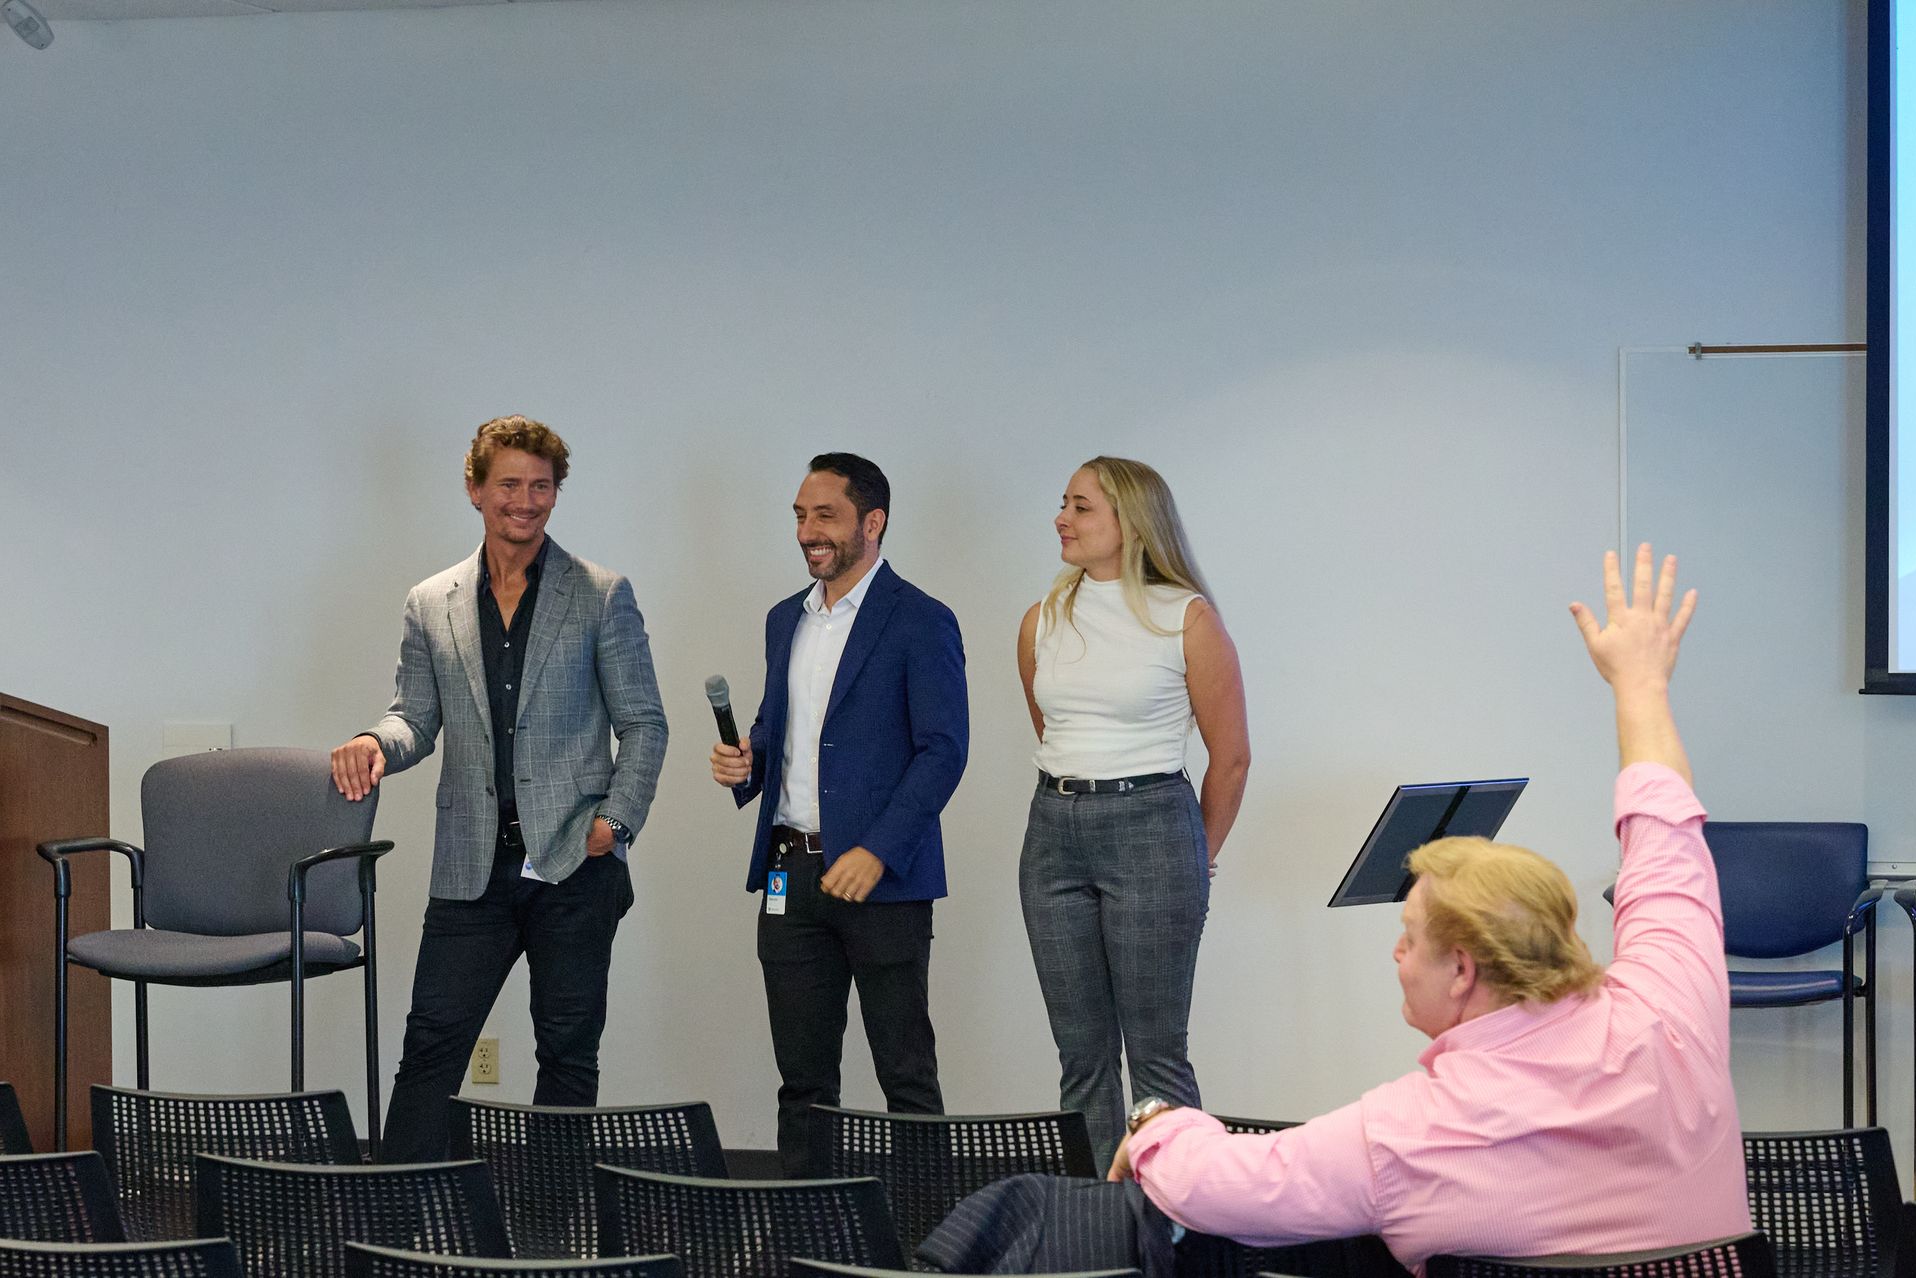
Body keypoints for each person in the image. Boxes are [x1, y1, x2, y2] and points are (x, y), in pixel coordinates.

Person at [1107, 545, 1751, 1270]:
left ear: (1463, 970)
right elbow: (1665, 834)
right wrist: (1641, 684)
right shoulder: (1672, 1012)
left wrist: (1158, 1122)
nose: (1396, 953)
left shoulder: (1405, 1137)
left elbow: (1218, 1186)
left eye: (1410, 938)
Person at [330, 415, 668, 1162]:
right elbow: (414, 719)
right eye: (510, 484)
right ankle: (394, 1224)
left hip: (576, 867)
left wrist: (616, 823)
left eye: (541, 486)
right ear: (476, 489)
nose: (526, 500)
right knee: (430, 1047)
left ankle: (550, 1234)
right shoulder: (431, 601)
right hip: (470, 868)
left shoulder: (601, 595)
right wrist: (370, 743)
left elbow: (645, 723)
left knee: (568, 1057)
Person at [709, 452, 969, 1177]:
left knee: (906, 1078)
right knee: (803, 1081)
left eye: (824, 515)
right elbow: (779, 727)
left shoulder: (921, 620)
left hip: (881, 881)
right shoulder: (783, 620)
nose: (807, 531)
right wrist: (748, 762)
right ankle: (806, 1230)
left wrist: (879, 849)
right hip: (790, 873)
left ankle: (928, 1239)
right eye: (799, 515)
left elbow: (943, 752)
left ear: (872, 522)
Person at [1016, 456, 1250, 1166]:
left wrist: (1195, 859)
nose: (1062, 517)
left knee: (1156, 1055)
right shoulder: (1040, 621)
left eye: (1081, 506)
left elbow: (1231, 757)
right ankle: (1098, 1226)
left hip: (1152, 829)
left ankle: (1178, 1222)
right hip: (1054, 832)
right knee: (1080, 1055)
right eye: (1064, 503)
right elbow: (1054, 731)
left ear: (1130, 522)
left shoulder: (1188, 618)